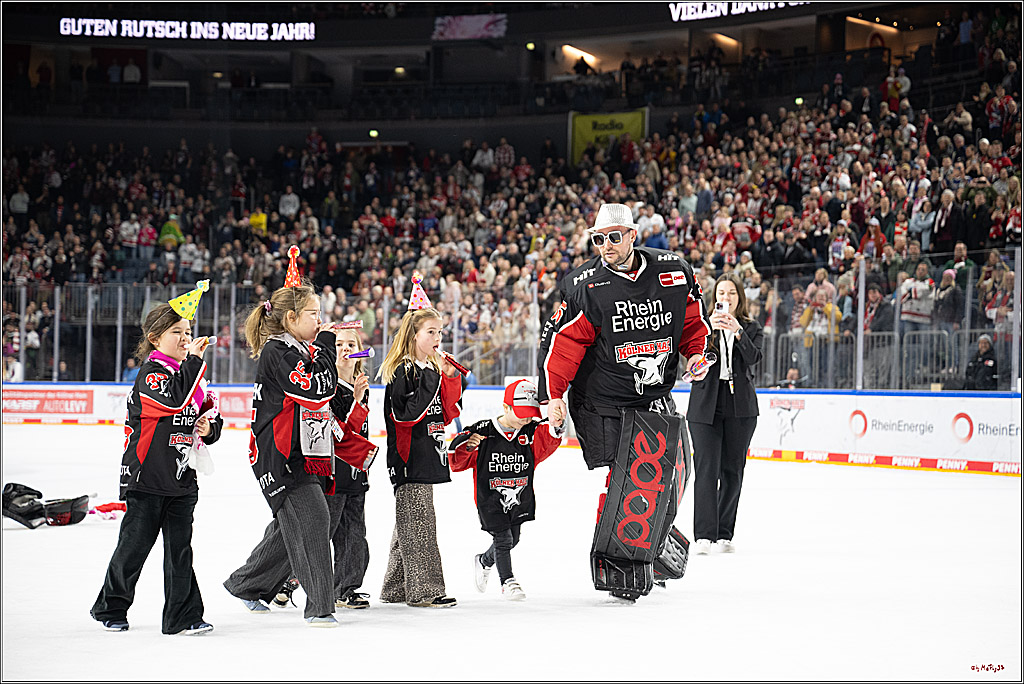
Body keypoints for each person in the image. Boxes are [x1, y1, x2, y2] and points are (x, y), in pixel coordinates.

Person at [537, 202, 712, 602]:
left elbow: (691, 326)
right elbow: (561, 347)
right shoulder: (585, 286)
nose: (606, 246)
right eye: (598, 239)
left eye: (614, 237)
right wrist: (554, 397)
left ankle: (653, 541)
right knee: (631, 478)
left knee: (679, 470)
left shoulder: (673, 272)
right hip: (603, 401)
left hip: (654, 394)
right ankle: (618, 560)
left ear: (633, 235)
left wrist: (698, 354)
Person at [90, 284, 221, 636]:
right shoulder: (151, 375)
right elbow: (174, 402)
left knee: (180, 552)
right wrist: (193, 362)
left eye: (188, 332)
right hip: (146, 479)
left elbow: (210, 418)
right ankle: (110, 606)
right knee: (134, 548)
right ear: (154, 337)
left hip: (181, 479)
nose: (185, 338)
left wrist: (209, 427)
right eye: (176, 332)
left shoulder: (194, 379)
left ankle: (183, 616)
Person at [224, 251, 342, 627]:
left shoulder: (297, 349)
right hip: (279, 454)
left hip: (302, 451)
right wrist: (326, 348)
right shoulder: (278, 351)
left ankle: (247, 584)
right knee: (312, 519)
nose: (320, 321)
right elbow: (315, 391)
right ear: (291, 318)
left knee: (290, 525)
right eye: (313, 314)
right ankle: (321, 607)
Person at [377, 275, 462, 608]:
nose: (438, 338)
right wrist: (432, 376)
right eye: (431, 332)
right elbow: (406, 415)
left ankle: (395, 587)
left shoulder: (430, 368)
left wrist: (450, 378)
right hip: (408, 457)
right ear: (413, 335)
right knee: (420, 523)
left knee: (410, 522)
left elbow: (448, 409)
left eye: (440, 332)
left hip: (430, 453)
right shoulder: (404, 371)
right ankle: (425, 590)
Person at [449, 379, 564, 602]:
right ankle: (508, 582)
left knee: (513, 539)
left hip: (520, 497)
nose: (526, 418)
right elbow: (457, 462)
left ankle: (484, 561)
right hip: (490, 498)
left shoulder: (531, 431)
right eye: (521, 413)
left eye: (530, 413)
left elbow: (547, 441)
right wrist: (468, 445)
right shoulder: (482, 431)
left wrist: (556, 424)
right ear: (505, 407)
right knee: (503, 539)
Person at [687, 273, 763, 554]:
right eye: (721, 293)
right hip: (705, 404)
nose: (726, 298)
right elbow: (691, 358)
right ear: (714, 296)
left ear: (739, 298)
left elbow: (755, 358)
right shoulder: (702, 326)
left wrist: (737, 332)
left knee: (732, 470)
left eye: (731, 293)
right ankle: (704, 535)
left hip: (740, 405)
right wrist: (711, 333)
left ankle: (724, 534)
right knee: (706, 469)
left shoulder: (751, 327)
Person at [326, 324, 378, 609]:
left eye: (350, 344)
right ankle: (291, 578)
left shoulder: (362, 386)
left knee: (355, 533)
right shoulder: (328, 386)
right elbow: (338, 434)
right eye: (338, 344)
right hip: (333, 472)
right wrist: (356, 403)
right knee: (325, 531)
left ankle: (347, 587)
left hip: (357, 473)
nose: (345, 349)